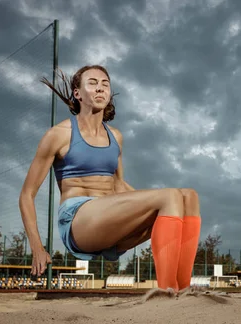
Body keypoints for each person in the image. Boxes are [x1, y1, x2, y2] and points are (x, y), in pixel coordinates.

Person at [19, 65, 201, 293]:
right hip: (78, 220)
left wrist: (155, 205)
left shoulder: (115, 136)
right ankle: (168, 293)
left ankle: (183, 290)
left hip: (109, 218)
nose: (100, 88)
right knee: (171, 196)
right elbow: (27, 194)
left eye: (105, 84)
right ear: (78, 93)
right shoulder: (59, 134)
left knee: (188, 197)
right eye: (93, 83)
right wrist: (37, 246)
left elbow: (118, 185)